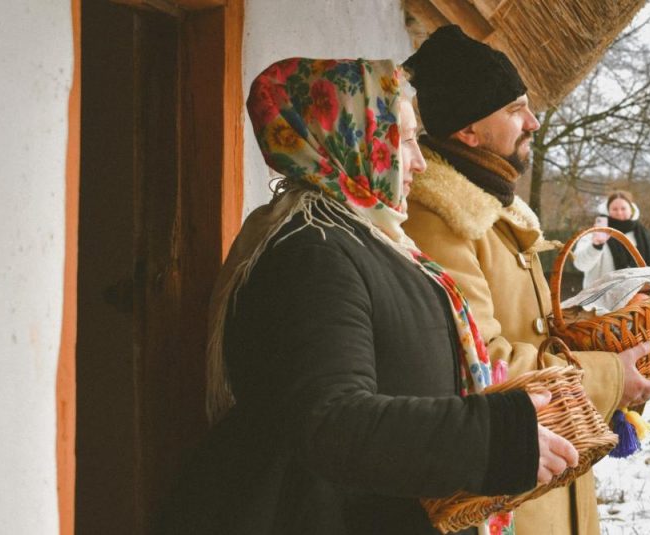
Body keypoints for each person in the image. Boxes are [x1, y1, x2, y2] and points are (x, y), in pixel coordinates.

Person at [154, 58, 580, 535]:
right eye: (408, 139)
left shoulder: (372, 240)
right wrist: (496, 440)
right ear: (357, 140)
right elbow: (331, 421)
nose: (420, 160)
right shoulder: (312, 253)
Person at [402, 26, 650, 535]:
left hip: (546, 471)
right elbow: (484, 362)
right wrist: (609, 376)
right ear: (468, 131)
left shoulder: (494, 209)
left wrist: (607, 336)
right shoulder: (439, 220)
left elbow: (534, 332)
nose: (534, 121)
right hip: (510, 497)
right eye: (514, 109)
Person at [573, 191, 650, 289]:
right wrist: (596, 246)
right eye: (614, 209)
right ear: (607, 211)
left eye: (623, 208)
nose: (619, 212)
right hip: (600, 299)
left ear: (632, 210)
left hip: (640, 298)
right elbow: (580, 264)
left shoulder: (644, 236)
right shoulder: (593, 235)